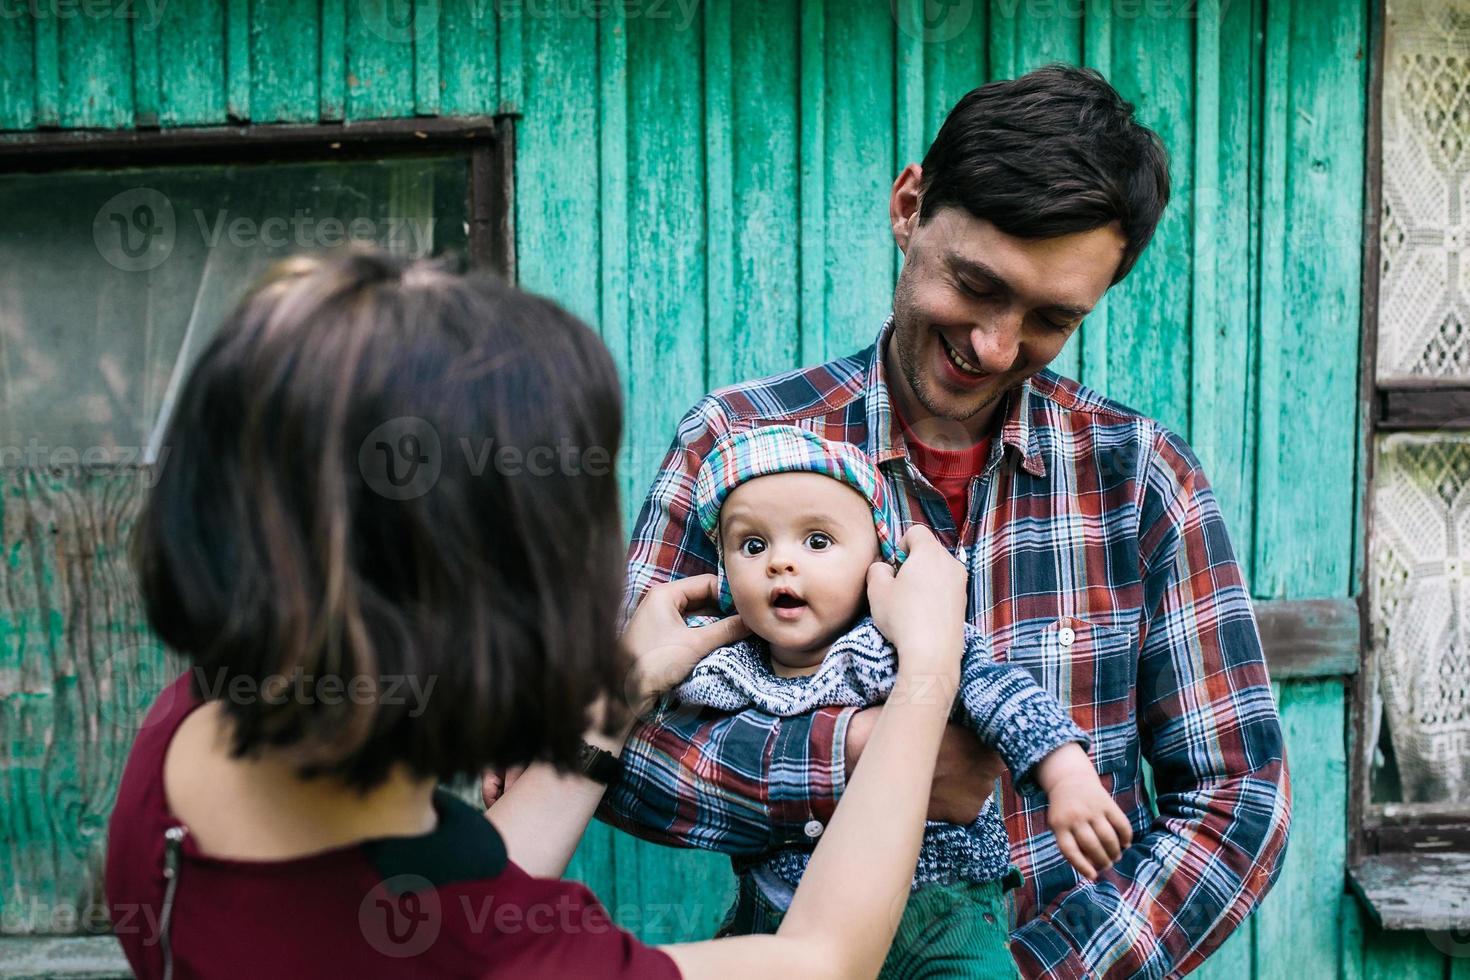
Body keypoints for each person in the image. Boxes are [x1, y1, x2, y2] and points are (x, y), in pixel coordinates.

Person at [592, 64, 1293, 977]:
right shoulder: (739, 450)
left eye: (1050, 318)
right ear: (910, 206)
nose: (996, 345)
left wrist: (1034, 973)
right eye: (976, 283)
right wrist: (851, 754)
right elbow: (613, 749)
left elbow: (1237, 799)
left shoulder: (1142, 477)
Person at [104, 249, 976, 979]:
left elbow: (438, 891)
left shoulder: (185, 738)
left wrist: (615, 704)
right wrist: (928, 675)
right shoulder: (489, 956)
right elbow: (821, 962)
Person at [669, 423, 1131, 977]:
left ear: (877, 560)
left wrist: (1067, 777)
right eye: (753, 544)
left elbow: (1004, 694)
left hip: (938, 907)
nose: (780, 563)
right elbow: (665, 742)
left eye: (817, 541)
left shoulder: (896, 642)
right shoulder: (726, 667)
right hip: (780, 906)